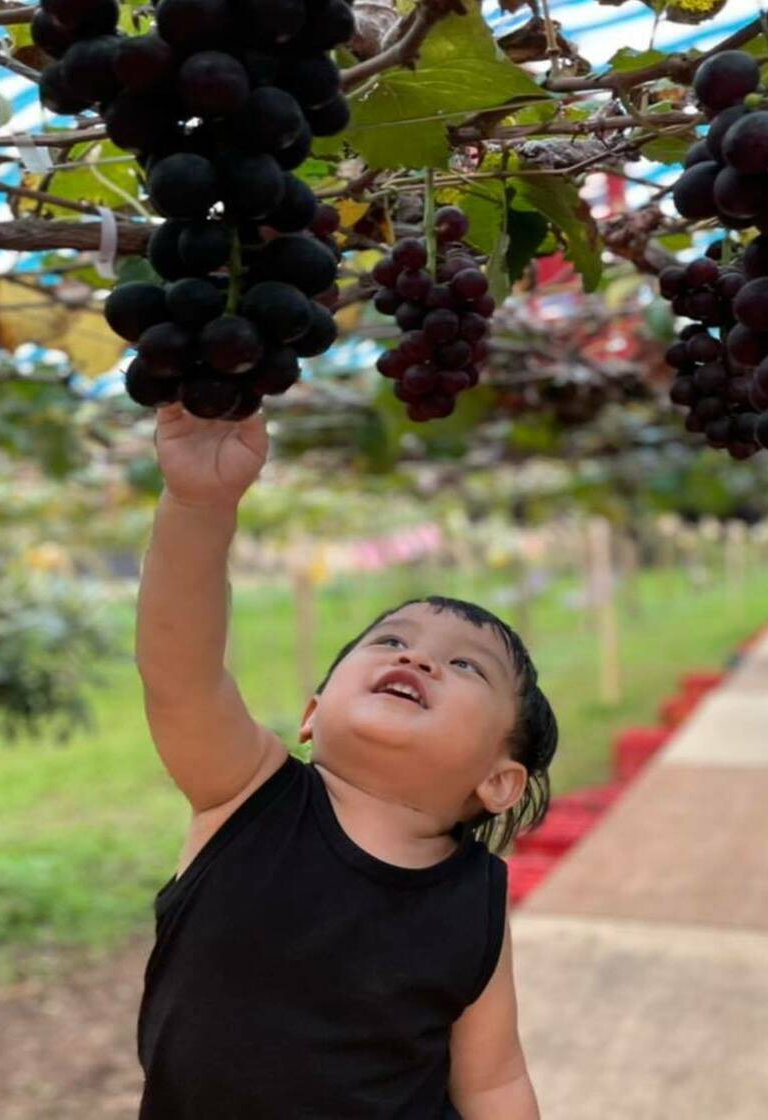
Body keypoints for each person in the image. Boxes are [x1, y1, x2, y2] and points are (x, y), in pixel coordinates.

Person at [134, 402, 557, 1118]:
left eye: (465, 665)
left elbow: (492, 1078)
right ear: (311, 714)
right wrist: (198, 505)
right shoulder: (246, 797)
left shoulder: (475, 899)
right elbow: (180, 669)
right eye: (391, 641)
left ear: (498, 780)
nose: (417, 656)